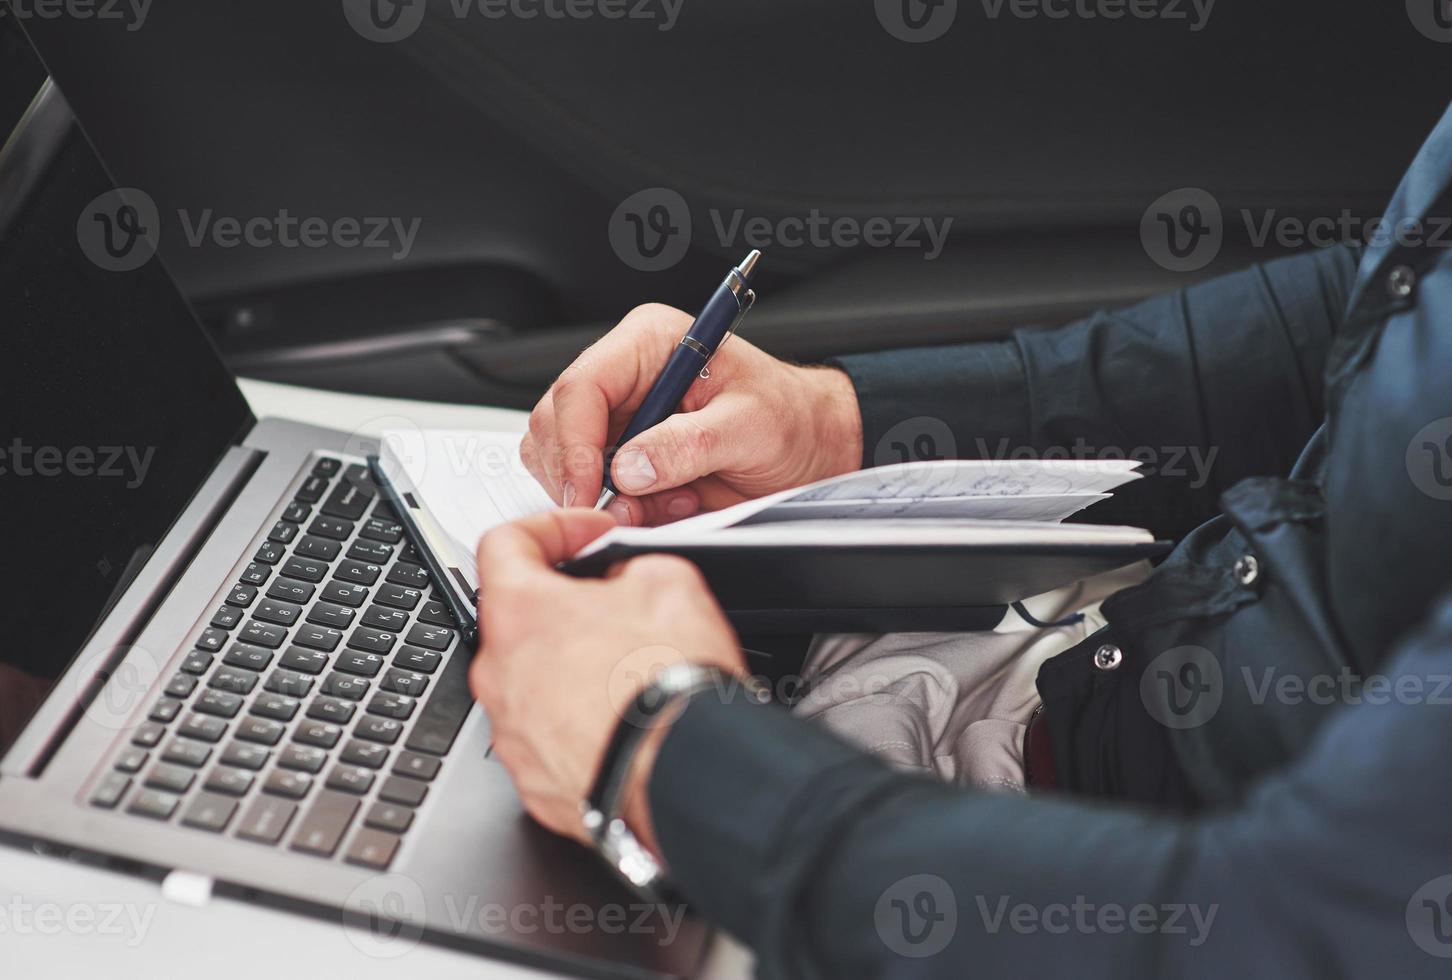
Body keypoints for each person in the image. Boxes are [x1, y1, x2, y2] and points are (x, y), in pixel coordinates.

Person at [469, 104, 1452, 977]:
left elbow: (1283, 932)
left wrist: (666, 758)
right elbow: (1379, 317)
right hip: (1066, 708)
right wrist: (842, 422)